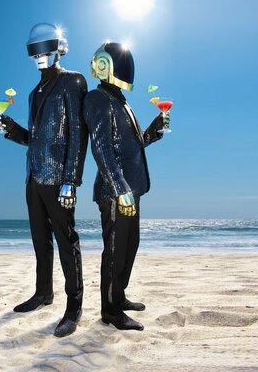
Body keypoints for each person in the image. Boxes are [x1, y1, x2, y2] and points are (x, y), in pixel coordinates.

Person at [0, 23, 88, 337]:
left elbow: (79, 134)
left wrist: (70, 181)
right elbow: (34, 138)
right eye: (33, 51)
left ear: (58, 49)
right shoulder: (34, 94)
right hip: (33, 177)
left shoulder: (73, 81)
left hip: (58, 177)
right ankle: (43, 293)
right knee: (40, 240)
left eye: (45, 50)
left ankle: (74, 306)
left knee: (67, 241)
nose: (39, 57)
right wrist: (10, 128)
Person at [83, 42, 167, 331]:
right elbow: (102, 148)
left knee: (130, 246)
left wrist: (155, 128)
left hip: (132, 190)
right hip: (115, 192)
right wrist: (119, 189)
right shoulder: (97, 99)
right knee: (115, 250)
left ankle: (118, 297)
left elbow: (133, 146)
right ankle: (110, 311)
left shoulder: (121, 102)